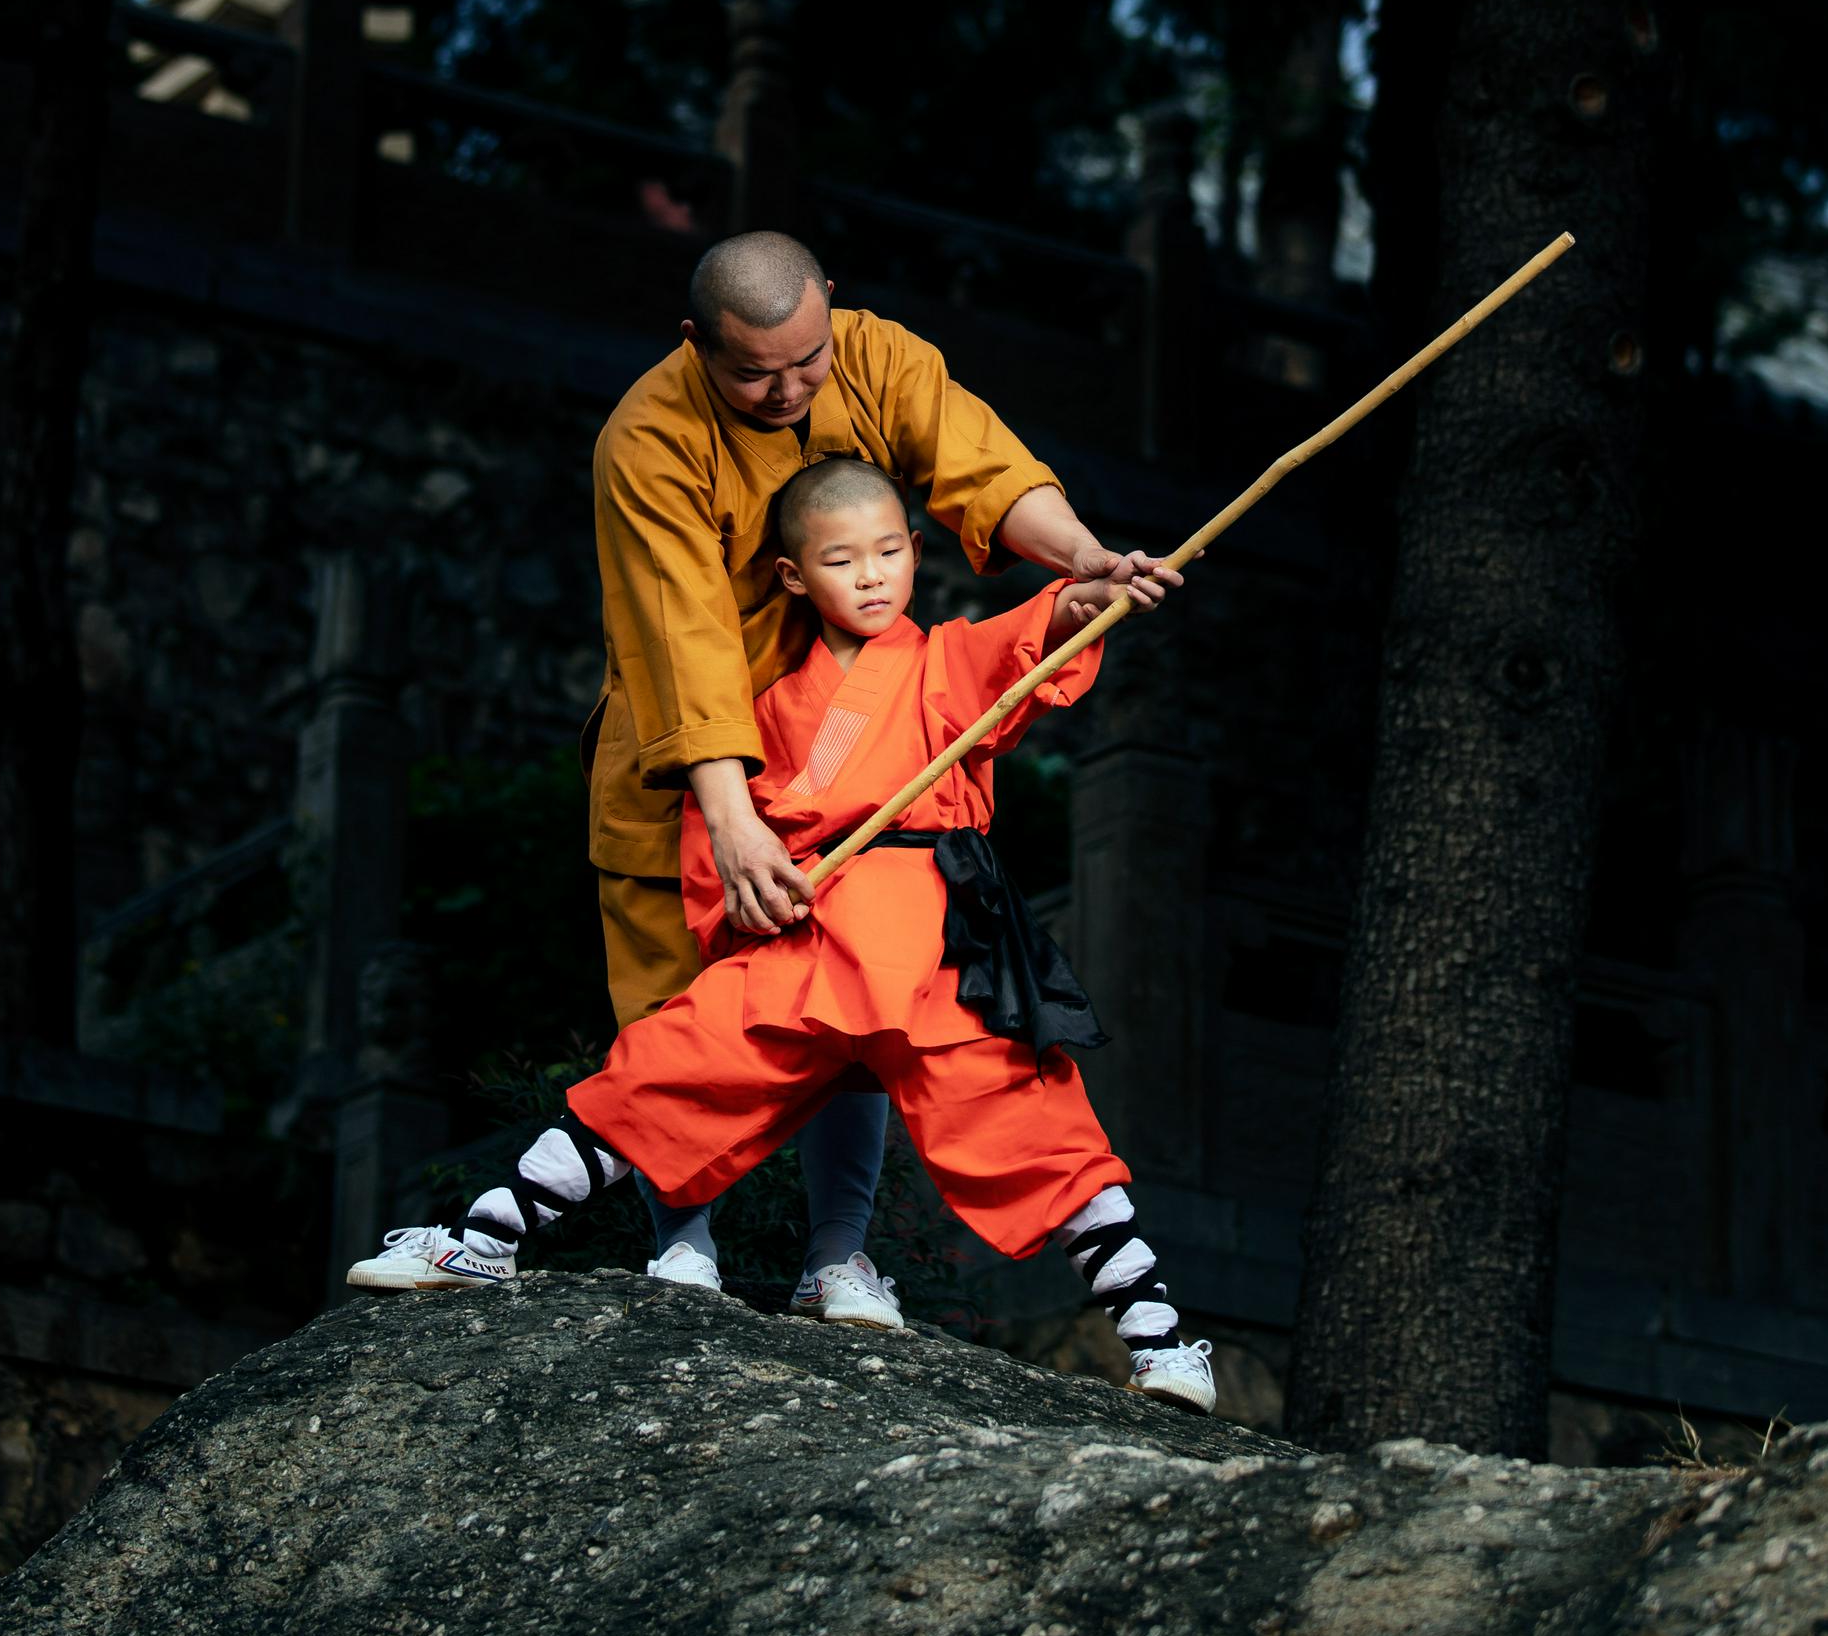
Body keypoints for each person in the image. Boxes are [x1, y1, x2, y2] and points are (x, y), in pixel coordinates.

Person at [351, 455, 1214, 1417]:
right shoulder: (764, 710)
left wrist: (1087, 596)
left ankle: (1164, 1344)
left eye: (889, 553)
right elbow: (724, 845)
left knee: (1037, 1128)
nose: (873, 577)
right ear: (794, 577)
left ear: (916, 552)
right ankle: (482, 1238)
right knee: (662, 1071)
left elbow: (1033, 632)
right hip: (813, 938)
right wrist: (754, 897)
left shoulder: (942, 661)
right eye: (842, 561)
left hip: (936, 944)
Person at [532, 228, 1178, 1320]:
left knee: (856, 999)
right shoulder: (646, 439)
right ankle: (681, 1244)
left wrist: (1086, 560)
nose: (789, 390)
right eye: (754, 374)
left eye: (807, 360)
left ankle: (838, 1253)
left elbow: (984, 466)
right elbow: (681, 635)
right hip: (698, 760)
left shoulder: (878, 356)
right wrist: (731, 820)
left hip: (858, 748)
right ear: (695, 343)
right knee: (677, 1013)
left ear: (830, 303)